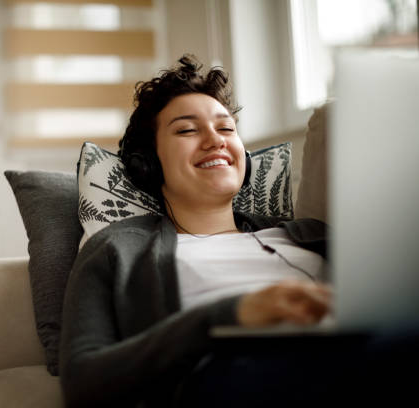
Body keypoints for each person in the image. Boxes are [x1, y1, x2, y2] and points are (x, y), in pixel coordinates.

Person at [59, 55, 417, 407]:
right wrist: (232, 313)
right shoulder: (118, 248)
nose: (216, 140)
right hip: (230, 374)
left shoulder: (315, 234)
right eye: (186, 129)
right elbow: (83, 381)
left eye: (226, 128)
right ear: (148, 165)